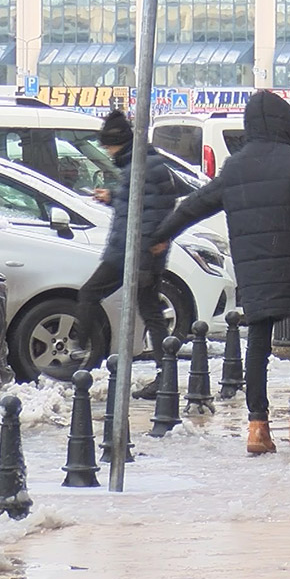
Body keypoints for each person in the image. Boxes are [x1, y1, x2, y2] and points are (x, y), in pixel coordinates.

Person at [150, 91, 290, 453]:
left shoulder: (235, 166)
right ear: (284, 124)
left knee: (258, 339)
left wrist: (163, 234)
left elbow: (196, 205)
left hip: (253, 268)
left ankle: (258, 427)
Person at [71, 110, 178, 399]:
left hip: (130, 254)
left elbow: (152, 215)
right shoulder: (143, 165)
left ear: (119, 142)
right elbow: (146, 206)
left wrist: (144, 259)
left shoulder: (140, 168)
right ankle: (165, 375)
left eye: (108, 145)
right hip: (136, 252)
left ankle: (78, 351)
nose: (106, 150)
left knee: (89, 293)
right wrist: (113, 196)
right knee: (152, 313)